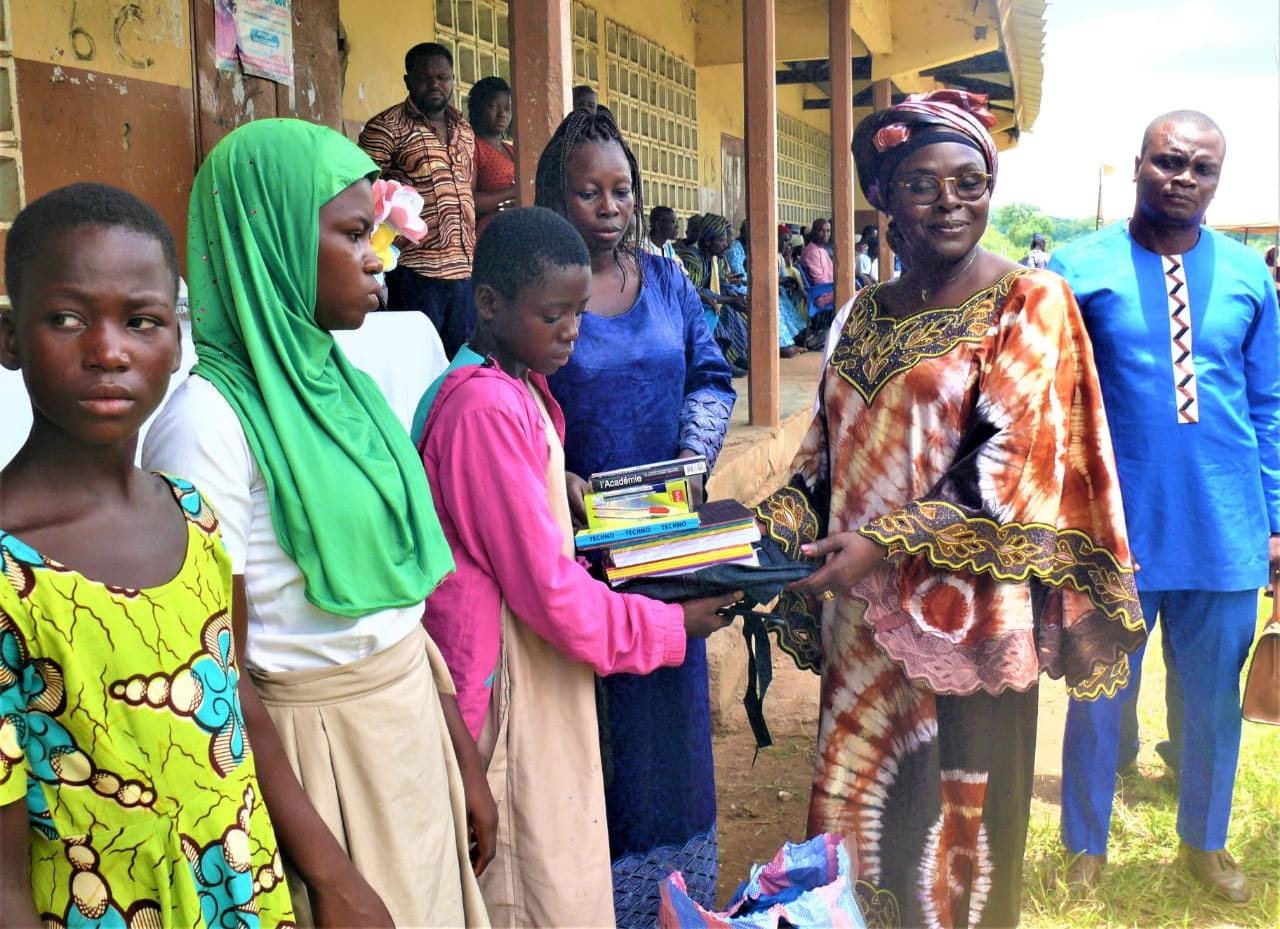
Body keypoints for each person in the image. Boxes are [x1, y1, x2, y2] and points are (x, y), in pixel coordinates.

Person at [755, 90, 1145, 927]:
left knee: (957, 840)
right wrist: (769, 527)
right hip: (861, 629)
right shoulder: (861, 315)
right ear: (886, 198)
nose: (949, 203)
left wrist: (882, 543)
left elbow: (1009, 464)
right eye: (923, 184)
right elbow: (824, 454)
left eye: (970, 183)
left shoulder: (1029, 302)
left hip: (968, 629)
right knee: (863, 818)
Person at [143, 119, 491, 927]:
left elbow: (396, 612)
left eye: (372, 230)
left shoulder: (344, 387)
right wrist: (328, 874)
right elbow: (216, 676)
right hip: (313, 764)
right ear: (268, 241)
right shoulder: (207, 426)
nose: (376, 255)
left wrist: (461, 762)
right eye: (349, 233)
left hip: (409, 726)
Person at [418, 205, 738, 928]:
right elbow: (551, 593)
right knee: (534, 889)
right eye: (555, 315)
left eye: (579, 314)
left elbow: (531, 513)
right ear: (490, 303)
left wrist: (599, 503)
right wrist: (671, 625)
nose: (572, 331)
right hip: (503, 683)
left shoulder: (515, 387)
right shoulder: (484, 410)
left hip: (533, 666)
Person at [0, 183, 295, 927]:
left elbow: (237, 700)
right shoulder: (8, 570)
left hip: (245, 893)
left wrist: (332, 870)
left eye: (141, 321)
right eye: (66, 319)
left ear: (175, 341)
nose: (107, 350)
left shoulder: (190, 513)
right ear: (9, 339)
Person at [1052, 110, 1280, 904]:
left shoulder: (1251, 276)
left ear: (1219, 179)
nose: (1183, 178)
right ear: (1140, 164)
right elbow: (1052, 405)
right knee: (1097, 689)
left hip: (1227, 530)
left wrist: (1277, 520)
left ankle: (1205, 843)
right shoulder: (1078, 269)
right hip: (1115, 531)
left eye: (1201, 168)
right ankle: (1085, 844)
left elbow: (1269, 405)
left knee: (1213, 697)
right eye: (1169, 161)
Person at [529, 110, 737, 925]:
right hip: (575, 546)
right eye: (588, 191)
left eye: (621, 189)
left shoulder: (670, 282)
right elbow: (511, 397)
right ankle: (599, 901)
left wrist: (687, 465)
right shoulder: (536, 292)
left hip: (663, 533)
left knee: (671, 725)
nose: (609, 206)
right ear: (556, 196)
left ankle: (682, 898)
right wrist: (561, 479)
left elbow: (713, 376)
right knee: (599, 733)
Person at [360, 42, 476, 357]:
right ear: (408, 80)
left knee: (459, 363)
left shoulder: (465, 130)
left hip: (464, 270)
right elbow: (359, 191)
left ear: (453, 80)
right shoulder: (386, 128)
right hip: (415, 271)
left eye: (443, 77)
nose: (435, 85)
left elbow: (468, 187)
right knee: (418, 361)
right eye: (425, 78)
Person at [676, 213, 750, 375]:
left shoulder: (713, 259)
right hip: (689, 307)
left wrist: (737, 297)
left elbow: (722, 284)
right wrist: (729, 300)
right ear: (708, 241)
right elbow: (692, 291)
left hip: (708, 301)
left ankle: (733, 358)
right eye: (722, 240)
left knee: (735, 312)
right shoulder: (692, 258)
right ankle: (717, 362)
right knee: (718, 313)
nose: (727, 245)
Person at [468, 76, 516, 237]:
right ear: (478, 108)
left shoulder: (512, 150)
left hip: (517, 230)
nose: (502, 114)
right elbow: (469, 201)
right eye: (494, 106)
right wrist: (514, 192)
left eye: (508, 108)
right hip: (490, 234)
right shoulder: (472, 146)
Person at [800, 218, 835, 311]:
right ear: (814, 232)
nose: (825, 234)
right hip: (821, 295)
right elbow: (819, 280)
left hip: (831, 290)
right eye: (821, 231)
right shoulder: (811, 252)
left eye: (828, 231)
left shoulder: (822, 250)